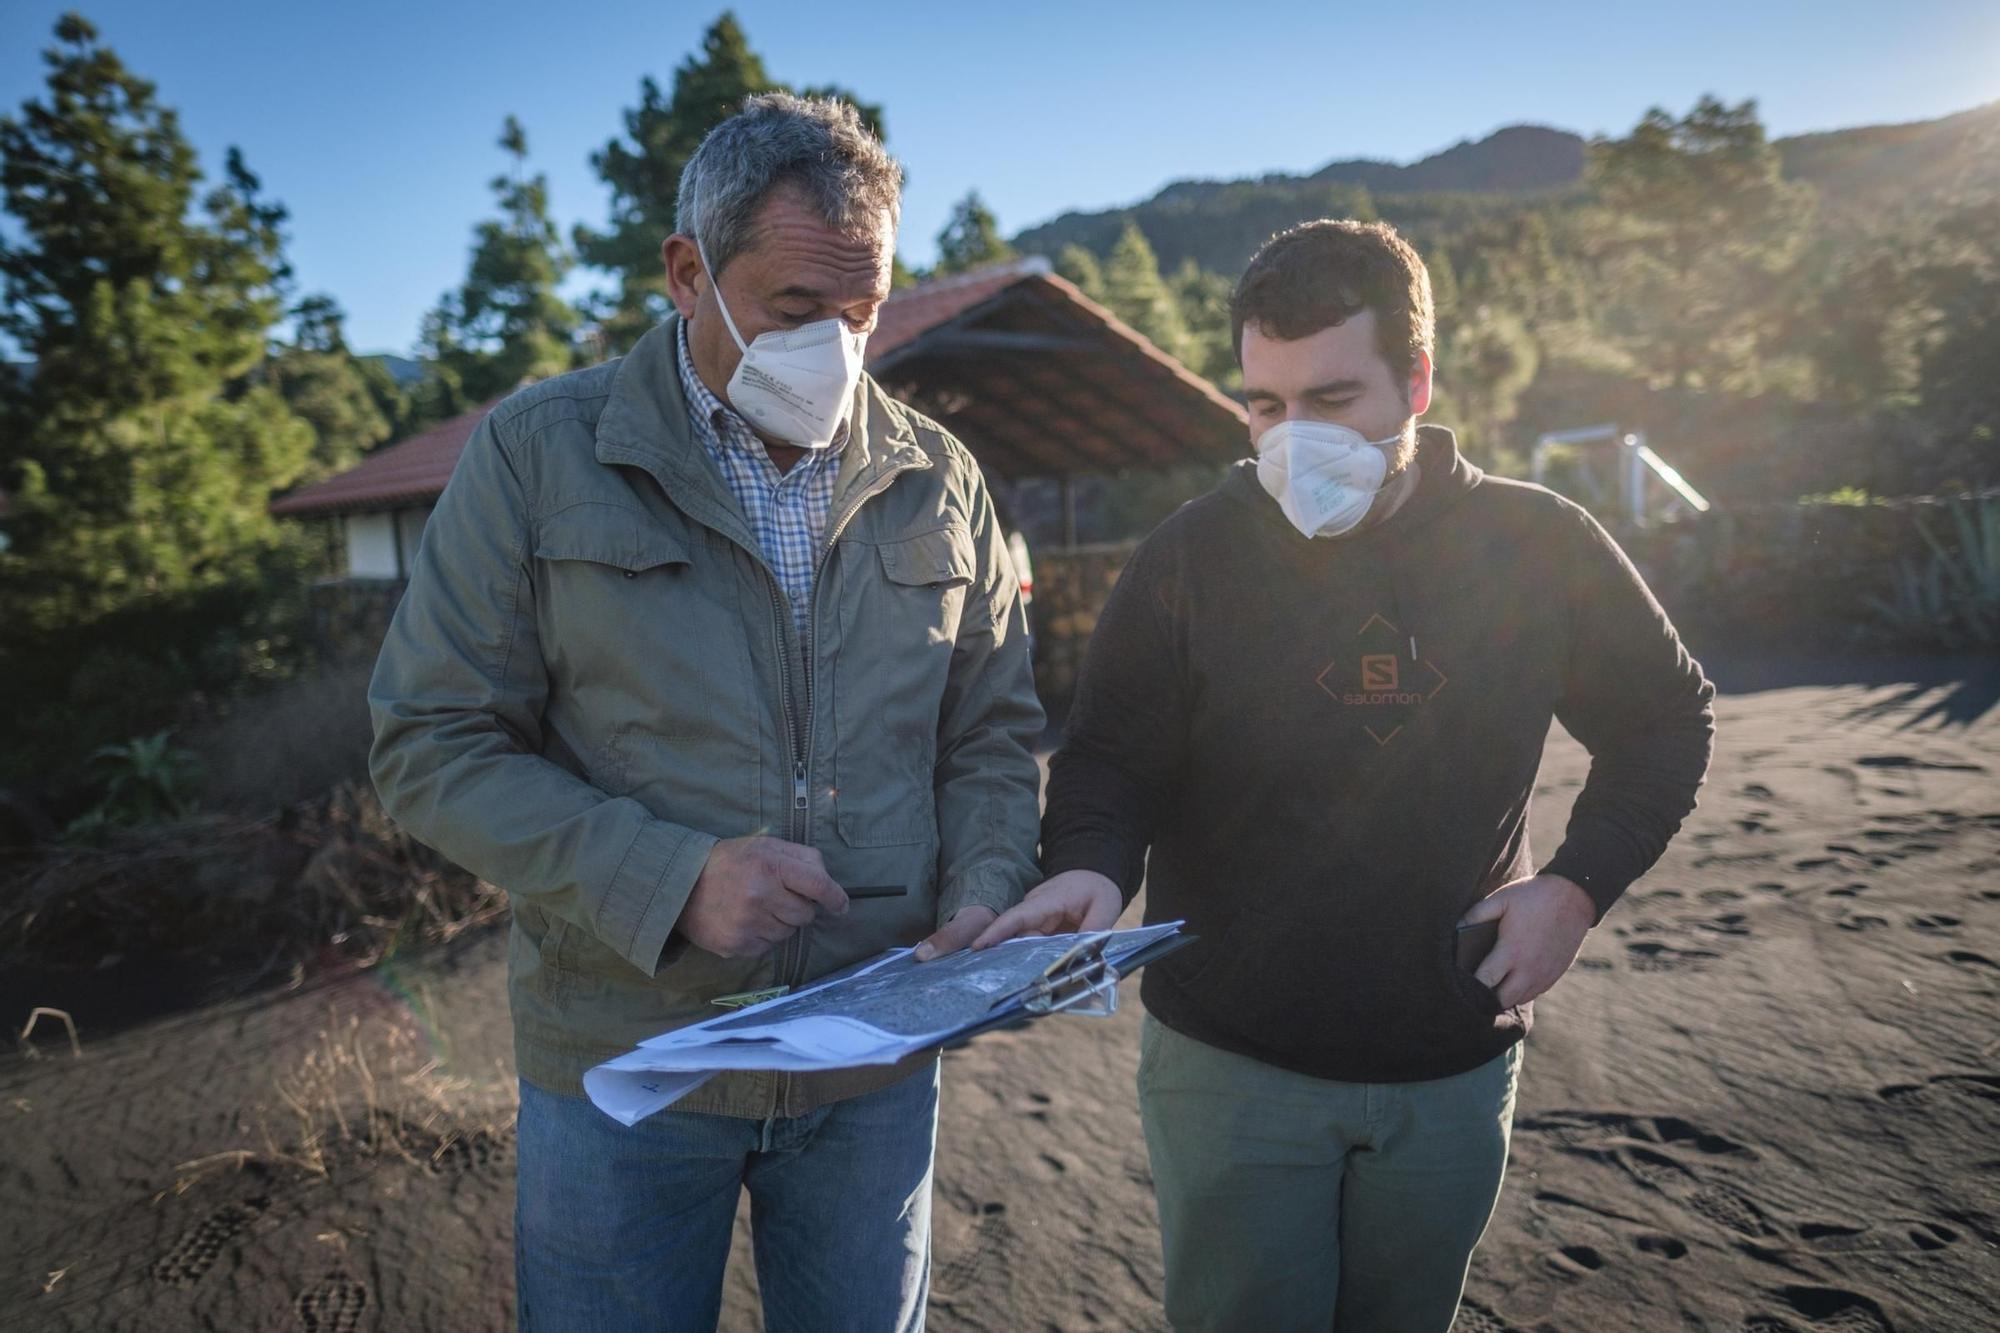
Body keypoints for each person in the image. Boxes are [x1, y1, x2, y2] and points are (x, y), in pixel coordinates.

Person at [368, 94, 1043, 1332]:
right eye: (796, 310)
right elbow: (428, 741)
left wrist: (987, 887)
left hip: (871, 1064)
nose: (837, 349)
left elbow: (990, 732)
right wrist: (668, 875)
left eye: (864, 312)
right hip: (626, 1069)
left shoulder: (938, 479)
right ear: (688, 273)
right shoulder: (536, 456)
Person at [974, 219, 1716, 1331]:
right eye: (1263, 405)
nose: (1290, 439)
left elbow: (1664, 717)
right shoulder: (1187, 554)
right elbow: (1110, 756)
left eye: (1330, 401)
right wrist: (1086, 865)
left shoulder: (1536, 542)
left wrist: (1575, 887)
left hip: (1450, 1056)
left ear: (1417, 382)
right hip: (1228, 1060)